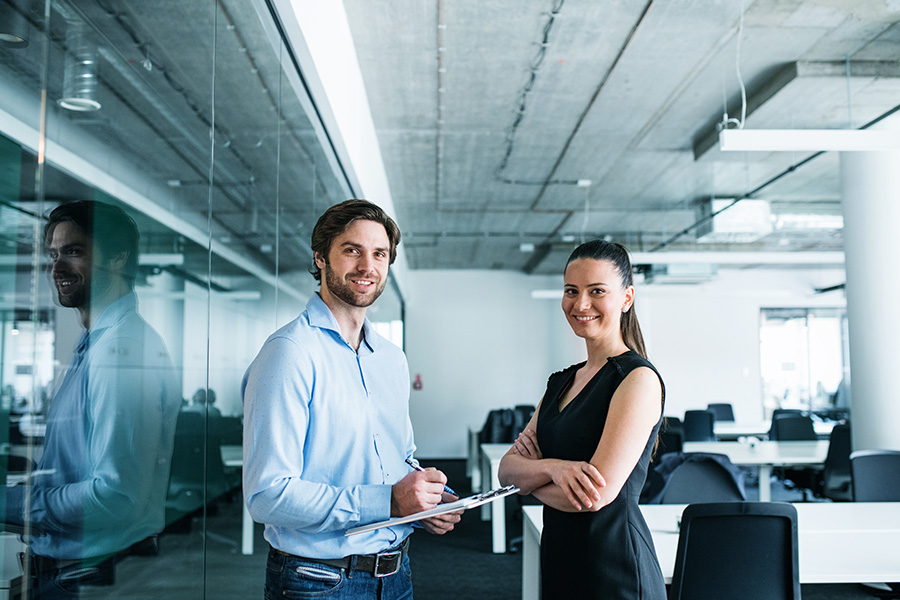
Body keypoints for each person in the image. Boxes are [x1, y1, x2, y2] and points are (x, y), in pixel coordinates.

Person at [242, 199, 460, 599]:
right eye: (352, 250)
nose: (367, 266)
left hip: (396, 573)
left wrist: (423, 502)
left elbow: (400, 455)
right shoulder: (289, 352)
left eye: (379, 254)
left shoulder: (391, 359)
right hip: (319, 582)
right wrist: (389, 501)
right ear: (321, 257)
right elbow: (267, 495)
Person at [4, 200, 180, 598]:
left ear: (118, 259)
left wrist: (14, 503)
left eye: (74, 251)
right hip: (72, 572)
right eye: (54, 254)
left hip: (89, 578)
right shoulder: (95, 345)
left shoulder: (122, 350)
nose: (57, 267)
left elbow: (114, 496)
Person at [498, 240, 666, 600]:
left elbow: (594, 496)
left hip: (614, 566)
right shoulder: (561, 382)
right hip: (561, 556)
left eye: (597, 291)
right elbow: (507, 470)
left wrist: (530, 477)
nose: (581, 304)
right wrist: (556, 470)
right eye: (571, 291)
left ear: (626, 298)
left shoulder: (637, 380)